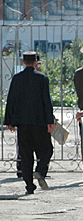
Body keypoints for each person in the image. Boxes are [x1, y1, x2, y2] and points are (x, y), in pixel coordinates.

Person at [4, 51, 55, 195]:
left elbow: (11, 100)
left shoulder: (17, 78)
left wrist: (9, 121)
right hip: (39, 123)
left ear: (23, 61)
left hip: (22, 123)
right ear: (36, 62)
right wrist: (49, 121)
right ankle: (40, 171)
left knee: (26, 155)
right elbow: (47, 101)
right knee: (46, 149)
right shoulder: (42, 78)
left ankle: (29, 186)